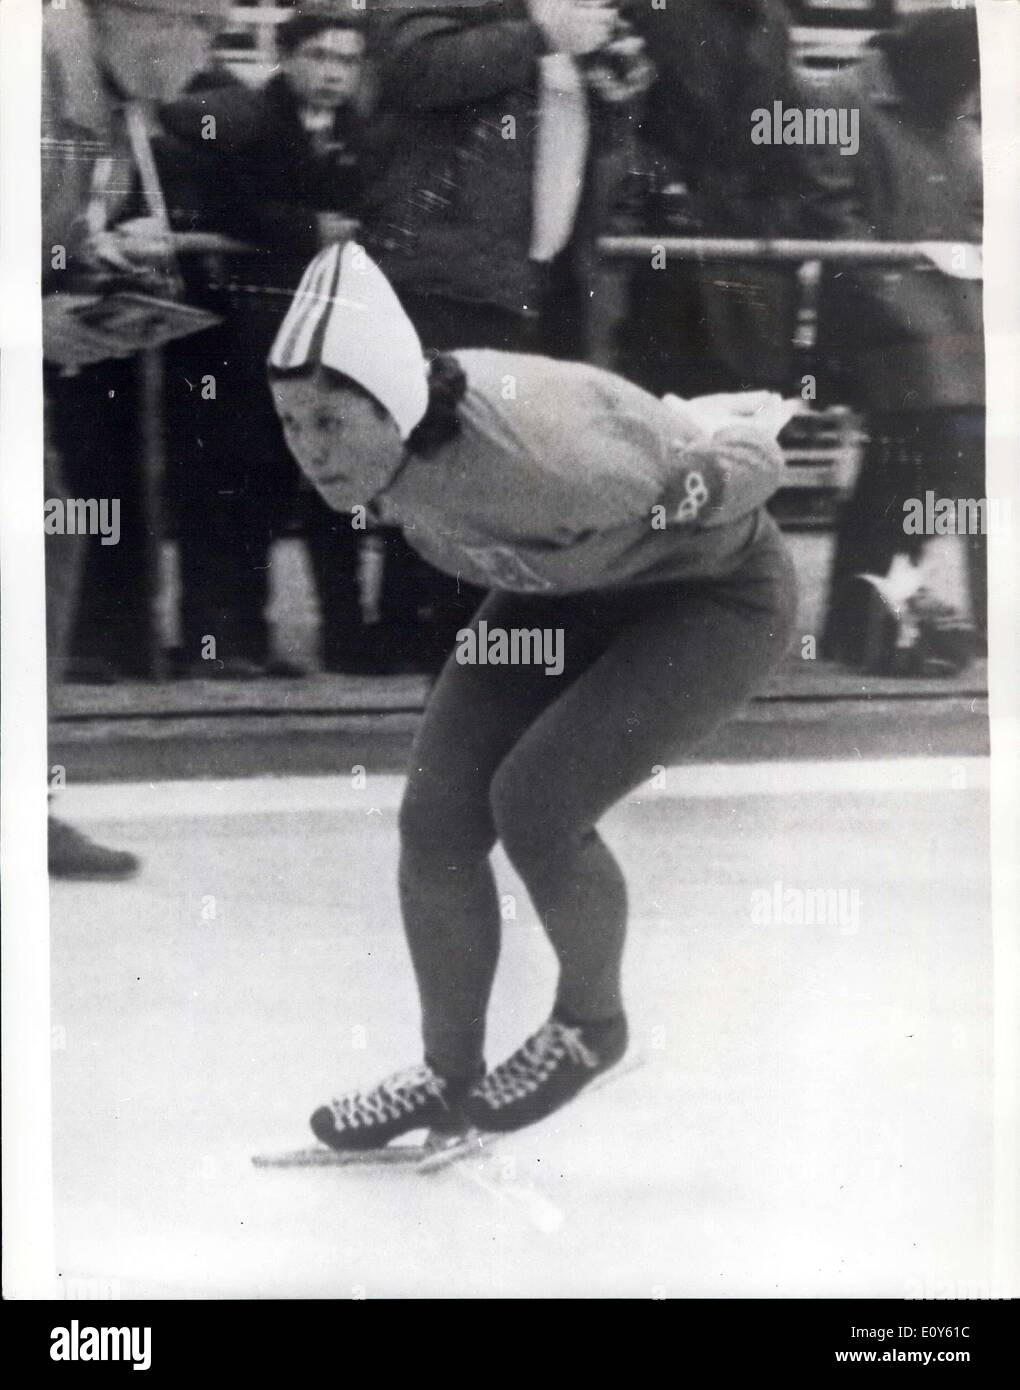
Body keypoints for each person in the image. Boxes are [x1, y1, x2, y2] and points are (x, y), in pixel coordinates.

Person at [268, 244, 798, 1146]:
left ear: (393, 401)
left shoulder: (550, 453)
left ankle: (592, 1027)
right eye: (290, 424)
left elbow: (751, 457)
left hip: (709, 601)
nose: (310, 454)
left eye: (329, 422)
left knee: (537, 801)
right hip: (561, 593)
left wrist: (698, 485)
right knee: (435, 822)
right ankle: (446, 1073)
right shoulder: (393, 451)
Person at [42, 0, 232, 875]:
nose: (205, 57)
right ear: (140, 17)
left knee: (48, 540)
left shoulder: (107, 98)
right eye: (202, 26)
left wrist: (95, 251)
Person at [157, 3, 372, 674]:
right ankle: (224, 638)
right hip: (238, 329)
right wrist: (309, 230)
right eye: (319, 57)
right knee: (230, 483)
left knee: (287, 485)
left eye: (347, 60)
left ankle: (267, 637)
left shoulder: (362, 135)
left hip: (314, 332)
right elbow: (214, 202)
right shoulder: (243, 119)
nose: (333, 74)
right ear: (286, 56)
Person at [812, 3, 985, 667]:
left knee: (923, 472)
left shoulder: (956, 99)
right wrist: (899, 281)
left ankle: (863, 625)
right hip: (884, 320)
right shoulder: (849, 95)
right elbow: (828, 215)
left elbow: (973, 200)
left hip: (953, 319)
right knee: (911, 469)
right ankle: (868, 622)